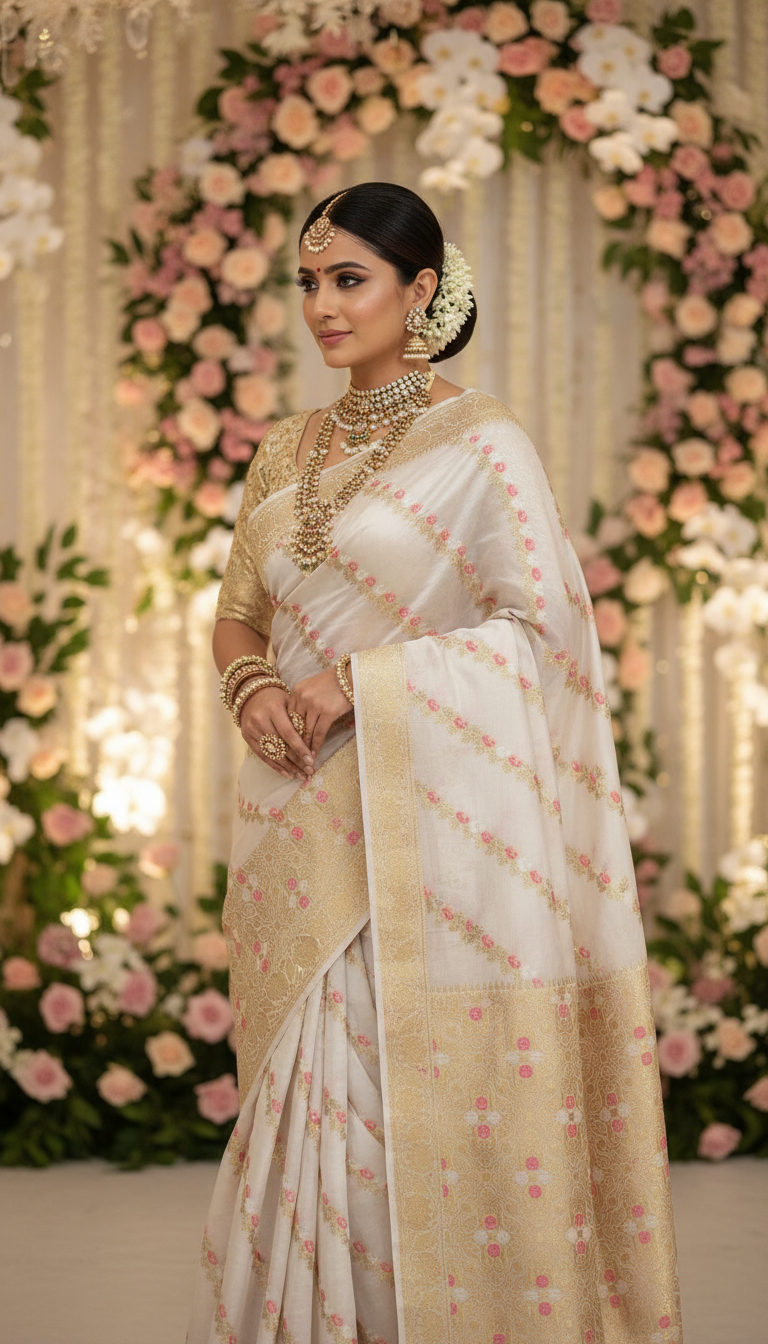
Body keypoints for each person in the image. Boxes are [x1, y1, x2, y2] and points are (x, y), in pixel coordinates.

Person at [187, 182, 682, 1344]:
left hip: (430, 846)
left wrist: (350, 683)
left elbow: (541, 632)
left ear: (421, 291)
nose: (320, 305)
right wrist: (254, 683)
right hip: (297, 814)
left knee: (390, 1110)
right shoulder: (282, 449)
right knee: (302, 1103)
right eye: (307, 281)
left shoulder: (483, 441)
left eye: (348, 279)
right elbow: (235, 613)